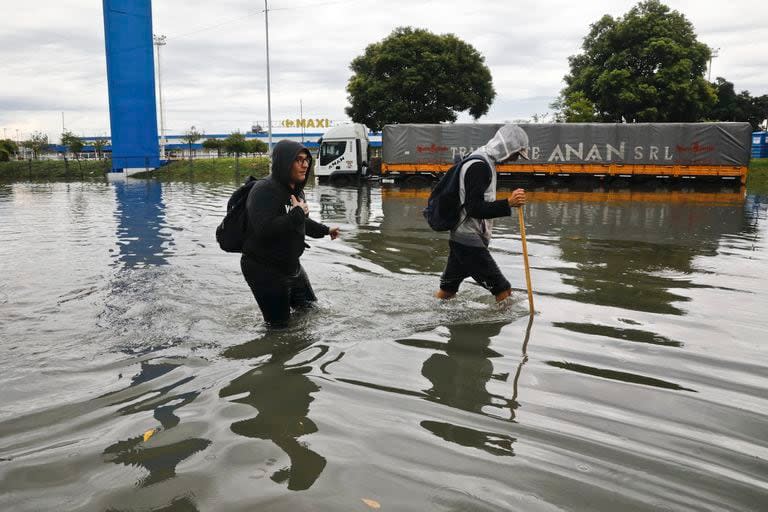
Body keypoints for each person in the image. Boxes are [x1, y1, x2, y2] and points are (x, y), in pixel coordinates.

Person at [241, 140, 340, 326]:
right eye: (298, 160)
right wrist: (296, 214)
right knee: (279, 328)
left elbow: (301, 222)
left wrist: (326, 230)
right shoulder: (263, 190)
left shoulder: (296, 190)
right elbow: (263, 229)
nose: (305, 165)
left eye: (307, 160)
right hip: (263, 268)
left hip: (291, 265)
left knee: (311, 311)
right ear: (284, 162)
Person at [435, 124, 529, 302]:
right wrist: (509, 203)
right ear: (507, 147)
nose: (515, 159)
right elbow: (474, 208)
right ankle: (507, 328)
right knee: (504, 291)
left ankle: (435, 319)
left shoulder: (484, 159)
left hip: (462, 238)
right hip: (467, 239)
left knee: (448, 290)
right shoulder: (479, 166)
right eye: (516, 154)